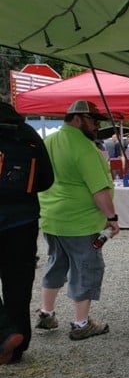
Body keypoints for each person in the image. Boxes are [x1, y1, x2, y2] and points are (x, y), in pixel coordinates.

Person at [37, 100, 119, 340]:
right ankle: (81, 323)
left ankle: (46, 313)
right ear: (77, 119)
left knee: (55, 264)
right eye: (93, 120)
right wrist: (112, 218)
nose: (96, 125)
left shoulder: (48, 141)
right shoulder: (84, 148)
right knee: (86, 268)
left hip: (52, 218)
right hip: (80, 223)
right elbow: (99, 190)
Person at [0, 102, 54, 364]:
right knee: (18, 283)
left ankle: (4, 336)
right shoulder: (27, 132)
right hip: (23, 220)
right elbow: (46, 180)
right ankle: (18, 345)